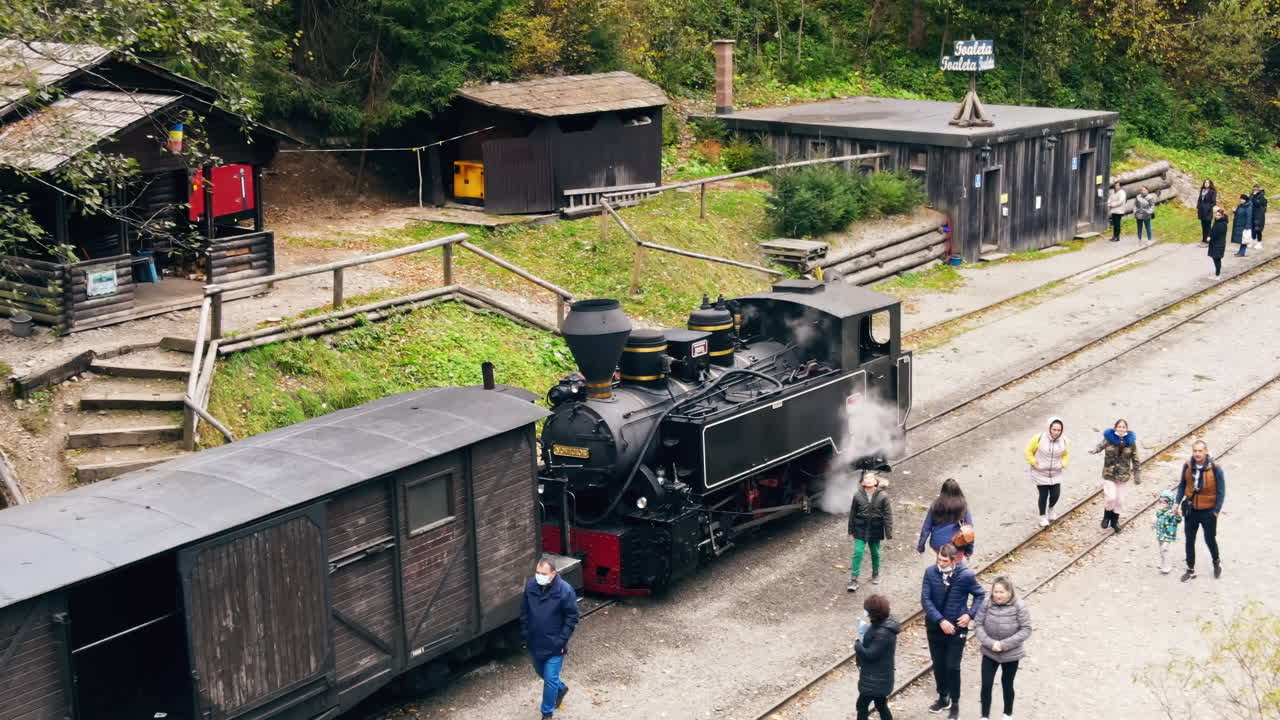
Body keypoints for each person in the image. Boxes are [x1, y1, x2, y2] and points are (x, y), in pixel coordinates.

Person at [921, 544, 985, 719]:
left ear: (953, 560)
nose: (940, 563)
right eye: (939, 559)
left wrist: (970, 615)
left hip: (957, 628)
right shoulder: (930, 573)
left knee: (952, 666)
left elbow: (980, 595)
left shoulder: (966, 576)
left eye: (944, 560)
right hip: (935, 627)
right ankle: (943, 697)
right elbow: (926, 600)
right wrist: (940, 621)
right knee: (938, 664)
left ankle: (955, 702)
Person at [520, 555, 580, 719]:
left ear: (553, 574)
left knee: (550, 680)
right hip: (535, 642)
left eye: (543, 573)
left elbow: (572, 618)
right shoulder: (531, 586)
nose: (539, 575)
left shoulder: (565, 591)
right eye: (537, 572)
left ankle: (547, 713)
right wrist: (525, 632)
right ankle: (561, 689)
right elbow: (524, 611)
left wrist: (561, 640)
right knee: (542, 673)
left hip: (554, 645)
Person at [974, 576, 1031, 720]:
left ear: (1009, 592)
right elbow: (978, 625)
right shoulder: (986, 603)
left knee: (1007, 684)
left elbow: (1026, 629)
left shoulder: (1019, 605)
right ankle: (984, 715)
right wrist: (990, 643)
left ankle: (1007, 714)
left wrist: (1004, 644)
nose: (998, 595)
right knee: (986, 684)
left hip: (1011, 654)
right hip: (989, 652)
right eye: (995, 592)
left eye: (1002, 592)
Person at [1175, 440, 1226, 581]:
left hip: (1208, 511)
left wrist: (1216, 511)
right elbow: (1182, 486)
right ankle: (1190, 569)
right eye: (1195, 451)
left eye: (1200, 451)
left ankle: (1216, 561)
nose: (1197, 454)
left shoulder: (1216, 468)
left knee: (1209, 539)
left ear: (1205, 451)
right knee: (1189, 540)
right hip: (1191, 509)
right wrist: (1177, 503)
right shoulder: (1187, 466)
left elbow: (1221, 492)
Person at [854, 594, 901, 720]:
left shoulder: (883, 633)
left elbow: (870, 654)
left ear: (873, 613)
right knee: (880, 704)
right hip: (880, 678)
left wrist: (857, 645)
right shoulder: (884, 625)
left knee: (861, 706)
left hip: (875, 679)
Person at [1089, 419, 1141, 532]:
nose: (1121, 429)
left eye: (1123, 427)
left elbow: (1136, 459)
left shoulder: (1131, 442)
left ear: (1126, 429)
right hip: (1109, 473)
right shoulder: (1109, 439)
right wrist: (1094, 450)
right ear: (1115, 428)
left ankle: (1114, 521)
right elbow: (1100, 446)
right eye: (1119, 427)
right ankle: (1107, 516)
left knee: (1120, 500)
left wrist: (1137, 476)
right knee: (1111, 497)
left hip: (1123, 475)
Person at [849, 470, 894, 592]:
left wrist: (889, 533)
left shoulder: (883, 496)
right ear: (863, 482)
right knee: (858, 552)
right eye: (866, 478)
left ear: (875, 481)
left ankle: (875, 573)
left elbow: (888, 515)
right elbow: (852, 513)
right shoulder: (857, 495)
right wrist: (850, 530)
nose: (868, 480)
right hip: (860, 528)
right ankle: (854, 578)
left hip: (875, 528)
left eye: (871, 478)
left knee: (875, 552)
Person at [1025, 417, 1069, 527]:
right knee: (1043, 495)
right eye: (1054, 429)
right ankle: (1042, 516)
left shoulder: (1064, 440)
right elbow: (1028, 451)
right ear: (1049, 428)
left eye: (1058, 430)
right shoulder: (1038, 438)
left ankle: (1051, 508)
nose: (1056, 432)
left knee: (1055, 494)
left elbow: (1065, 454)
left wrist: (1063, 464)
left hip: (1056, 472)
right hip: (1040, 473)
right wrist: (1034, 462)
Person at [917, 478, 974, 564]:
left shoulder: (936, 505)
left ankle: (938, 574)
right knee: (955, 566)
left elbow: (926, 527)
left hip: (938, 543)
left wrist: (921, 546)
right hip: (957, 543)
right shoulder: (963, 505)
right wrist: (969, 551)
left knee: (942, 562)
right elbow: (969, 530)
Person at [1153, 488, 1181, 574]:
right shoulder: (1160, 512)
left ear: (1169, 503)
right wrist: (1153, 523)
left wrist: (1177, 514)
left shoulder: (1171, 512)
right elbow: (1156, 518)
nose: (1162, 504)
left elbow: (1178, 520)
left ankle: (1167, 565)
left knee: (1164, 548)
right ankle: (1163, 563)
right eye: (1160, 502)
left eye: (1164, 502)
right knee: (1161, 549)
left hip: (1168, 534)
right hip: (1160, 533)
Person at [1207, 206, 1229, 279]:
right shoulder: (1217, 222)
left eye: (1219, 215)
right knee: (1216, 259)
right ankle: (1217, 273)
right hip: (1216, 244)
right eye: (1216, 214)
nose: (1216, 216)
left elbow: (1216, 234)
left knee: (1217, 259)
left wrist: (1210, 238)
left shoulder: (1221, 224)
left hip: (1218, 244)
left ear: (1222, 216)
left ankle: (1218, 275)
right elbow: (1212, 230)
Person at [1251, 184, 1267, 248]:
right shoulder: (1252, 195)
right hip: (1253, 213)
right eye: (1254, 189)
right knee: (1252, 228)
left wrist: (1254, 196)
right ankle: (1253, 240)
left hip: (1259, 215)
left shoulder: (1262, 197)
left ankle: (1259, 242)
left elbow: (1257, 204)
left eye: (1256, 189)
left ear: (1259, 189)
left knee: (1258, 229)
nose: (1254, 190)